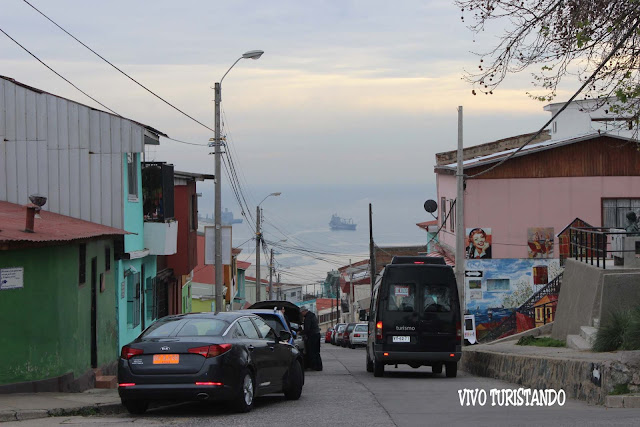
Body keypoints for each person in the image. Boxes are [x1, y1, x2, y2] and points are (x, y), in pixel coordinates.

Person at [300, 306, 322, 371]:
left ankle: (315, 366)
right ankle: (318, 366)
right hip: (316, 334)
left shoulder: (308, 317)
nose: (301, 314)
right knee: (316, 351)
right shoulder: (312, 315)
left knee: (312, 351)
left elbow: (307, 329)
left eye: (301, 313)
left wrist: (300, 333)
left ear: (304, 311)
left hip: (312, 336)